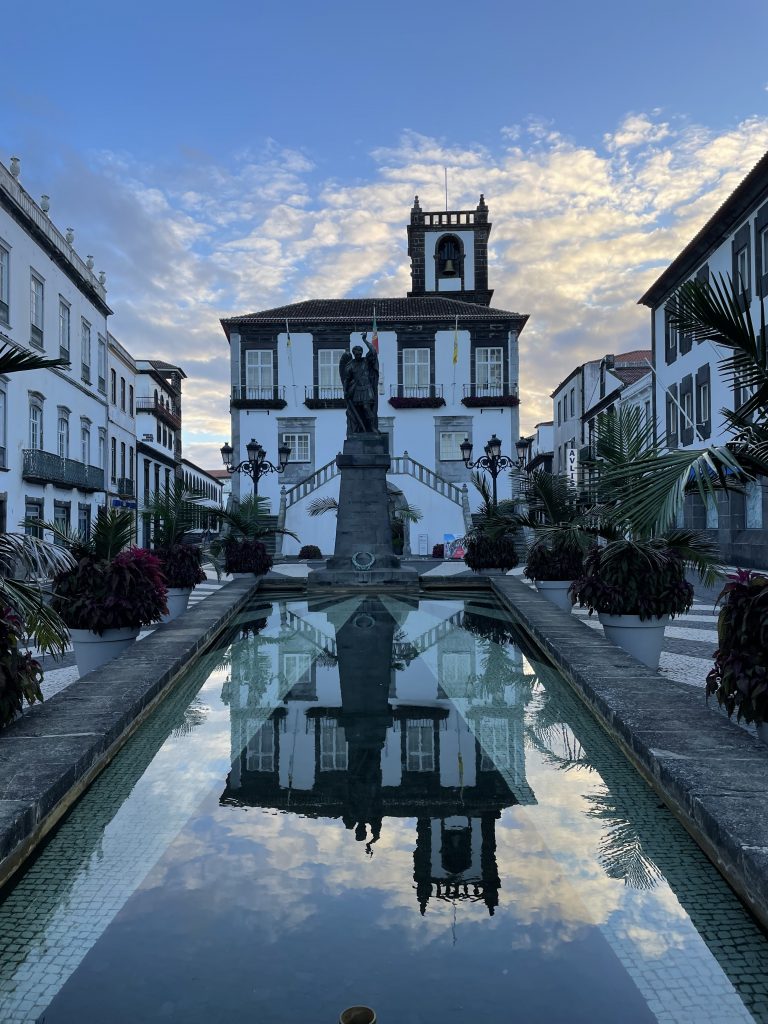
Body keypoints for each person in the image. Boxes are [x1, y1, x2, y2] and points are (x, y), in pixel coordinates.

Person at [339, 332, 379, 434]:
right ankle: (358, 428)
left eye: (360, 353)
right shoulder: (350, 366)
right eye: (357, 354)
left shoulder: (366, 361)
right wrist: (345, 391)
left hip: (367, 388)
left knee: (366, 407)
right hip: (357, 390)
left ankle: (372, 427)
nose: (359, 355)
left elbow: (373, 351)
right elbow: (346, 380)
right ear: (354, 354)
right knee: (358, 411)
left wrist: (364, 340)